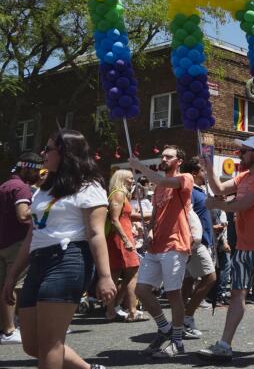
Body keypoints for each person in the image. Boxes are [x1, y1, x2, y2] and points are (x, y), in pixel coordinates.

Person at [2, 130, 115, 369]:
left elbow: (96, 233)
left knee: (50, 344)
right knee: (32, 345)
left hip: (69, 259)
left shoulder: (89, 186)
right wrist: (12, 277)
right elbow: (32, 235)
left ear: (66, 153)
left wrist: (105, 276)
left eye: (48, 149)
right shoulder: (44, 189)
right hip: (38, 262)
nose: (43, 154)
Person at [198, 136, 254, 361]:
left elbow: (242, 205)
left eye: (244, 151)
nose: (240, 154)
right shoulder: (244, 176)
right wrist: (209, 168)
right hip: (243, 246)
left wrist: (216, 203)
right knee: (238, 293)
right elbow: (218, 187)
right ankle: (224, 344)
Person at [129, 146, 194, 358]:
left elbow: (165, 181)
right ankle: (165, 329)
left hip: (176, 243)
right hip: (156, 245)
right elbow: (156, 215)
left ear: (179, 161)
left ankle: (177, 342)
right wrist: (148, 232)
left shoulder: (185, 178)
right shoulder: (158, 188)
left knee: (173, 293)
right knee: (141, 290)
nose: (164, 159)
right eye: (162, 156)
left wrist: (140, 167)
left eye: (169, 156)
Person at [0, 152, 39, 344]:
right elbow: (23, 215)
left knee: (4, 285)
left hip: (3, 242)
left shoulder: (5, 185)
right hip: (17, 243)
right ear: (26, 168)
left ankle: (6, 327)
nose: (39, 174)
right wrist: (45, 210)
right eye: (37, 170)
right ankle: (9, 330)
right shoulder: (22, 188)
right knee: (15, 285)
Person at [178, 157, 218, 338]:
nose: (205, 174)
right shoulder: (190, 191)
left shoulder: (198, 190)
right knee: (210, 278)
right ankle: (187, 318)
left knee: (188, 282)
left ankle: (179, 321)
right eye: (203, 171)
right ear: (195, 173)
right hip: (195, 243)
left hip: (201, 241)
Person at [104, 169, 142, 322]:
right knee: (129, 273)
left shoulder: (121, 194)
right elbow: (114, 220)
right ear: (122, 179)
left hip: (122, 238)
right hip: (119, 239)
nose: (133, 181)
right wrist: (126, 240)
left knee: (118, 274)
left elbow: (125, 216)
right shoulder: (118, 194)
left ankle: (113, 308)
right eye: (130, 178)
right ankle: (130, 310)